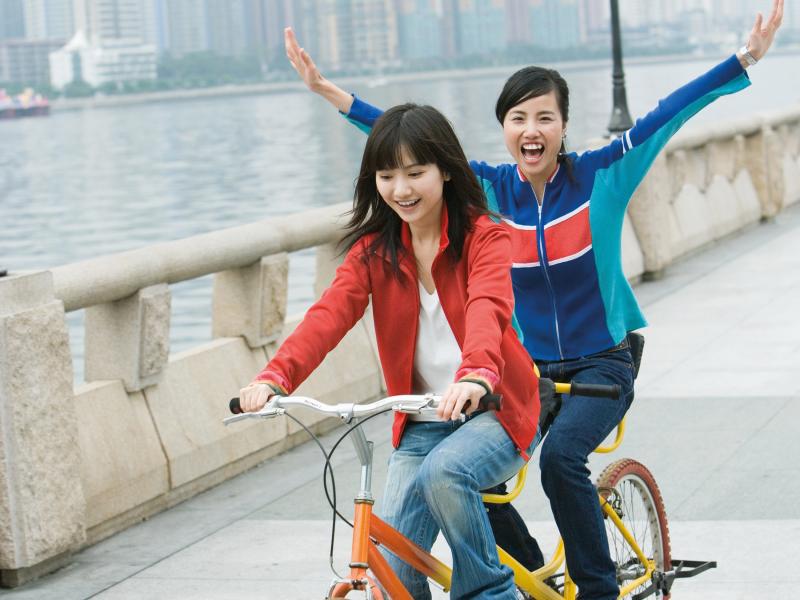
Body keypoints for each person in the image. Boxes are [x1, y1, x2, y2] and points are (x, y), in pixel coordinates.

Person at [282, 2, 783, 597]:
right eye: (518, 117)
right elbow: (410, 154)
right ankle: (524, 577)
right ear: (505, 128)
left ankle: (595, 590)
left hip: (603, 365)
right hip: (524, 371)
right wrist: (333, 95)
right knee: (466, 479)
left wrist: (743, 58)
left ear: (563, 126)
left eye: (545, 117)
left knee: (560, 463)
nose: (531, 130)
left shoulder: (603, 175)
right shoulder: (492, 191)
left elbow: (666, 114)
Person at [238, 103, 541, 599]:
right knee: (392, 574)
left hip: (494, 411)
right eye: (386, 175)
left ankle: (491, 593)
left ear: (445, 169)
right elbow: (328, 315)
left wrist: (477, 373)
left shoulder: (485, 237)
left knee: (448, 472)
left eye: (415, 173)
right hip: (419, 423)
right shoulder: (374, 252)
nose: (401, 190)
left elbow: (489, 306)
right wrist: (275, 378)